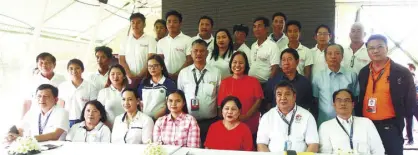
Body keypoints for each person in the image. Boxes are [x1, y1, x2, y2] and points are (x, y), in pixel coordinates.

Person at [355, 34, 416, 155]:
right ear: (367, 51)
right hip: (367, 126)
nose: (375, 50)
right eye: (371, 48)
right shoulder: (364, 72)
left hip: (391, 126)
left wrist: (405, 125)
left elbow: (411, 102)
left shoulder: (402, 72)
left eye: (380, 47)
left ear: (387, 48)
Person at [177, 39, 221, 147]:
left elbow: (220, 97)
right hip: (189, 121)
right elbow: (180, 97)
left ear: (207, 53)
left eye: (202, 51)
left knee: (209, 149)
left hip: (210, 122)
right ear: (191, 53)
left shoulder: (216, 72)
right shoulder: (183, 73)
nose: (198, 53)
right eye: (195, 51)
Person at [257, 81, 319, 152]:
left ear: (294, 96)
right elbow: (261, 144)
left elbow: (313, 144)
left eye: (287, 94)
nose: (283, 98)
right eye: (279, 94)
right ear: (275, 97)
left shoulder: (307, 116)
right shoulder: (267, 117)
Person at [319, 89, 384, 154]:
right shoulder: (325, 127)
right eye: (339, 100)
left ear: (353, 105)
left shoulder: (366, 123)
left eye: (347, 100)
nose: (343, 103)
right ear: (334, 105)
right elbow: (325, 152)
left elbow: (378, 149)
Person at [217, 51, 263, 142]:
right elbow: (220, 105)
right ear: (230, 64)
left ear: (246, 65)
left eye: (241, 63)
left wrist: (246, 116)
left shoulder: (254, 81)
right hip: (231, 125)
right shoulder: (225, 82)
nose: (237, 65)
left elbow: (259, 99)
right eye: (234, 62)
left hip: (251, 125)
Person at [312, 44, 359, 125]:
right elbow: (316, 99)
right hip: (325, 121)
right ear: (325, 57)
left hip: (348, 121)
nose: (333, 56)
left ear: (342, 56)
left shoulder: (352, 75)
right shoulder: (318, 76)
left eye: (337, 53)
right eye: (329, 54)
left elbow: (355, 97)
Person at [264, 48, 313, 113]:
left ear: (297, 62)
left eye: (289, 59)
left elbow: (308, 105)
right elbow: (268, 103)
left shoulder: (305, 83)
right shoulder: (273, 81)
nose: (286, 63)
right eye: (283, 60)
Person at [119, 12, 157, 87]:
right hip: (128, 79)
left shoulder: (151, 40)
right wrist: (130, 75)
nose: (135, 25)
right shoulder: (125, 40)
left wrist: (140, 76)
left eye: (138, 22)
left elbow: (151, 60)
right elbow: (121, 60)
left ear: (144, 25)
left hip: (146, 78)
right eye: (133, 23)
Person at [23, 53, 65, 117]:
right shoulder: (32, 81)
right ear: (37, 65)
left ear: (54, 64)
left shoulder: (62, 79)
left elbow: (64, 100)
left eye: (47, 62)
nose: (44, 65)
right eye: (41, 63)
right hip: (37, 116)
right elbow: (27, 102)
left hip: (56, 115)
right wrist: (22, 119)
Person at [58, 59, 98, 127]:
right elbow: (60, 106)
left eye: (77, 68)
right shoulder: (62, 86)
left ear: (82, 70)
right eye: (71, 68)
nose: (74, 71)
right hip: (67, 121)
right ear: (67, 70)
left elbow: (93, 107)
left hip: (84, 121)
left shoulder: (90, 87)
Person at [137, 55, 177, 120]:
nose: (152, 68)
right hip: (144, 120)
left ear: (161, 67)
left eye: (155, 65)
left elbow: (170, 104)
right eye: (149, 66)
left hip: (163, 120)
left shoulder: (169, 84)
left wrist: (155, 118)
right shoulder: (143, 84)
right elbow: (139, 103)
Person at [157, 10, 193, 81]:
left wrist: (177, 74)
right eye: (169, 21)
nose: (171, 24)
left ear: (180, 23)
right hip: (166, 78)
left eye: (175, 22)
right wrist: (167, 74)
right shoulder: (161, 42)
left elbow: (189, 60)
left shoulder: (188, 40)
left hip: (184, 77)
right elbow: (159, 61)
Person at [248, 16, 280, 83]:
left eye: (259, 26)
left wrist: (269, 84)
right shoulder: (253, 46)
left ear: (267, 29)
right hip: (252, 83)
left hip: (265, 84)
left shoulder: (273, 46)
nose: (256, 29)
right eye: (254, 27)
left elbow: (275, 68)